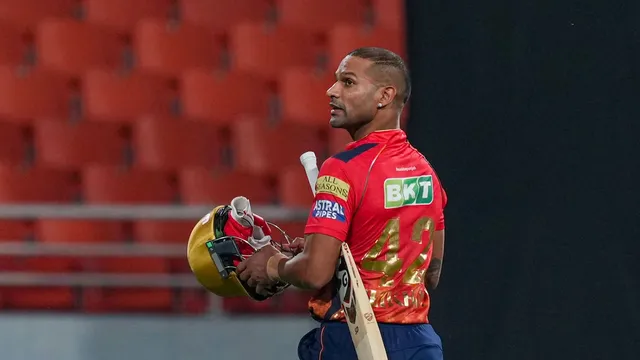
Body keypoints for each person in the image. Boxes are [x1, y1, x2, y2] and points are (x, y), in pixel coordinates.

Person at [237, 47, 447, 360]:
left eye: (348, 83)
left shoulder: (343, 168)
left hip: (354, 341)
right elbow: (431, 272)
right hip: (421, 344)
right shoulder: (426, 172)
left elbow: (313, 273)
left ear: (384, 96)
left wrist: (272, 265)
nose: (331, 91)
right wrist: (329, 253)